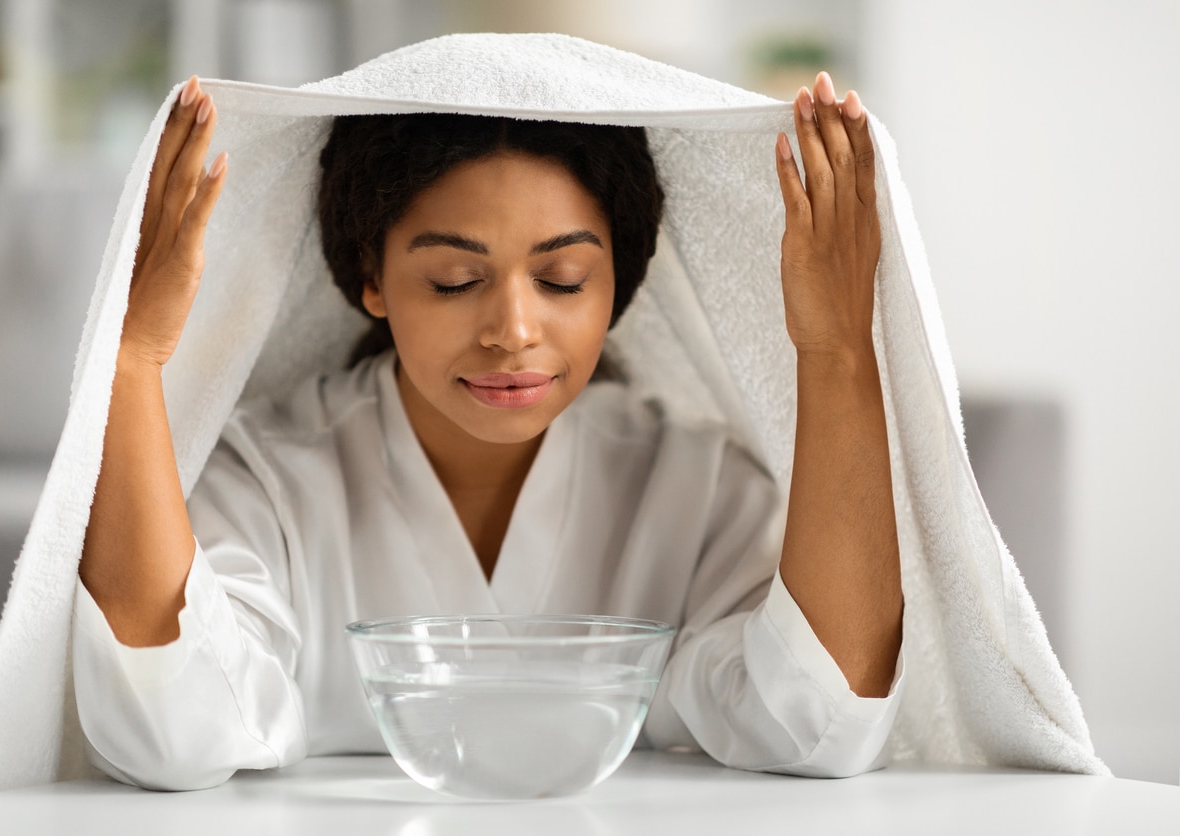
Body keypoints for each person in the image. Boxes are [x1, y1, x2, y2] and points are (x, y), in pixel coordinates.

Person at [72, 68, 903, 791]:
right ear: (372, 276)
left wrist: (836, 351)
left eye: (563, 278)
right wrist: (132, 360)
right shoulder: (269, 479)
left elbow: (820, 724)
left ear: (620, 281)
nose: (513, 328)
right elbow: (167, 732)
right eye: (454, 280)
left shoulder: (696, 486)